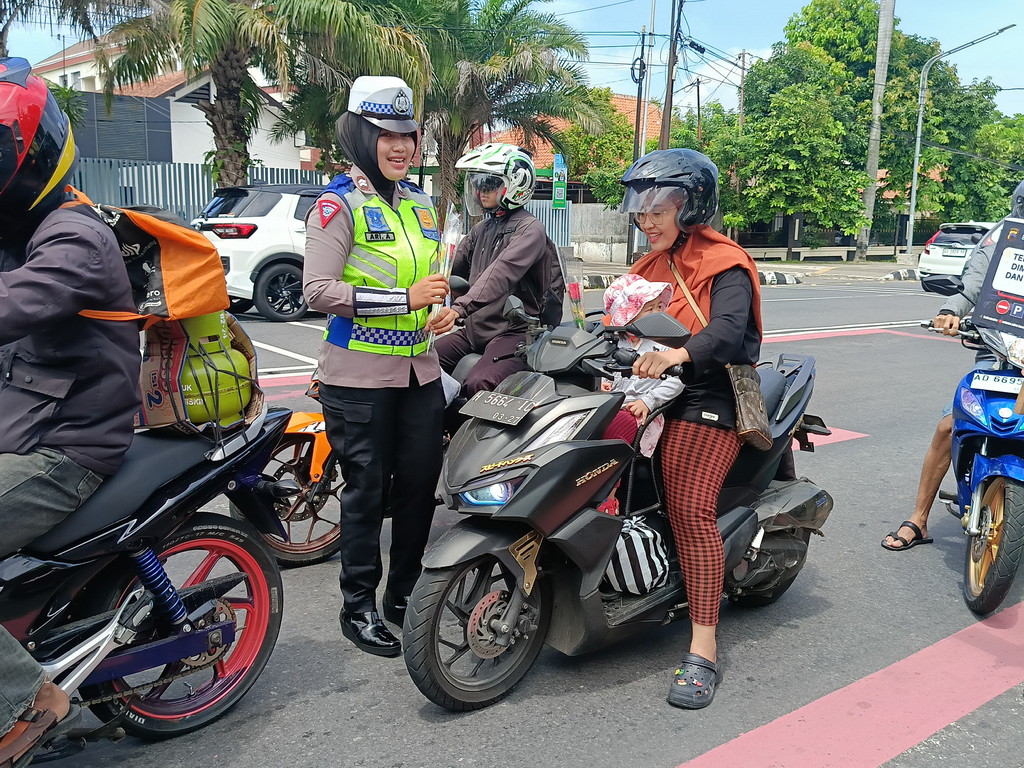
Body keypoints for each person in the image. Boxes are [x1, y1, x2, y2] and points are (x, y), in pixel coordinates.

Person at [0, 58, 140, 764]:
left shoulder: (74, 237)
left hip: (67, 447)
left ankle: (30, 698)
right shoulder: (19, 228)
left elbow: (14, 305)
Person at [302, 76, 450, 658]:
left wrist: (445, 307)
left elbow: (430, 283)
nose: (400, 147)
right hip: (356, 377)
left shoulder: (418, 202)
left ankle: (404, 594)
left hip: (421, 373)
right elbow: (316, 289)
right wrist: (402, 302)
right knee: (365, 493)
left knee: (418, 490)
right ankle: (358, 608)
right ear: (362, 137)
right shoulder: (337, 204)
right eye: (387, 135)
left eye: (408, 136)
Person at [625, 148, 763, 710]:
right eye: (641, 206)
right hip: (651, 390)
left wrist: (678, 356)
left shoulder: (724, 262)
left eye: (660, 206)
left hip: (712, 395)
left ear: (692, 203)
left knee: (689, 508)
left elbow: (729, 334)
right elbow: (616, 321)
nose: (647, 218)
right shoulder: (645, 270)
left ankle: (702, 646)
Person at [882, 180, 1024, 551]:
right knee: (949, 426)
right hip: (998, 353)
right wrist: (950, 312)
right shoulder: (1003, 237)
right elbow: (975, 283)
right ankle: (919, 518)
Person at [430, 143, 553, 396]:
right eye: (477, 184)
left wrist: (459, 308)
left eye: (489, 184)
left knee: (480, 383)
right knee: (421, 361)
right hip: (475, 330)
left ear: (515, 185)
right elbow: (451, 266)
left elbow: (501, 272)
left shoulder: (530, 229)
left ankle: (465, 436)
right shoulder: (482, 229)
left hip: (514, 332)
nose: (480, 192)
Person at [597, 274, 685, 515]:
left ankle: (607, 496)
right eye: (649, 309)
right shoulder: (613, 343)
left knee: (614, 437)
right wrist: (602, 384)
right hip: (609, 406)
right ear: (628, 313)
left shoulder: (664, 345)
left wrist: (648, 401)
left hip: (640, 413)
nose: (657, 313)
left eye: (659, 307)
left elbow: (676, 381)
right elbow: (602, 368)